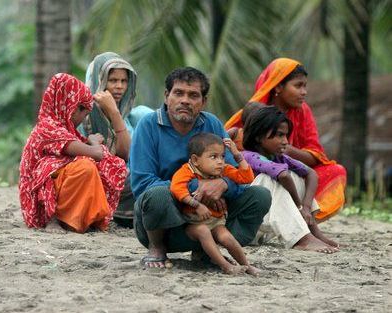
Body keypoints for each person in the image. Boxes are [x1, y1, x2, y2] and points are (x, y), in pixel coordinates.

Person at [130, 67, 271, 268]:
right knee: (157, 194)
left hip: (210, 220)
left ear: (203, 102)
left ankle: (207, 251)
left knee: (260, 196)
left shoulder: (212, 123)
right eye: (178, 93)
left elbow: (234, 172)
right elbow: (142, 183)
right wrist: (199, 187)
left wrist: (223, 184)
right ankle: (157, 248)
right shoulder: (148, 125)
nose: (185, 100)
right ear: (166, 96)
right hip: (165, 223)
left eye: (193, 95)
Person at [225, 58, 347, 222]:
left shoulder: (303, 111)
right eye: (298, 86)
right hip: (255, 174)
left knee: (335, 171)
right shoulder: (254, 112)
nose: (304, 92)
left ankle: (305, 217)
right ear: (278, 86)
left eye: (305, 86)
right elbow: (224, 149)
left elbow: (316, 155)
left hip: (289, 168)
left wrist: (283, 149)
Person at [19, 73, 127, 232]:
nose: (83, 119)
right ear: (72, 107)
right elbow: (96, 153)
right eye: (84, 113)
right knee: (84, 166)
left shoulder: (65, 130)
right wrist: (94, 142)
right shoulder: (48, 128)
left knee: (110, 165)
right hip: (38, 206)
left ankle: (82, 217)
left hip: (57, 188)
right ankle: (55, 217)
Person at [242, 106, 339, 253]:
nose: (285, 141)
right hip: (247, 226)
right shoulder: (248, 156)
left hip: (265, 227)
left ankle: (312, 231)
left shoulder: (279, 158)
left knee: (297, 176)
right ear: (258, 137)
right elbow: (283, 176)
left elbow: (311, 174)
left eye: (286, 136)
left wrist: (306, 207)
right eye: (279, 135)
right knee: (271, 178)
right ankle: (302, 240)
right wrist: (299, 206)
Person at [170, 133, 260, 275]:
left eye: (222, 156)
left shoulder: (223, 170)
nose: (220, 161)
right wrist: (197, 205)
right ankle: (225, 266)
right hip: (193, 222)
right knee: (204, 232)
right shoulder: (187, 170)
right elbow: (177, 188)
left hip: (216, 220)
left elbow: (247, 177)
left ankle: (246, 265)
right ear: (195, 160)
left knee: (226, 237)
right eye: (214, 157)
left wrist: (237, 155)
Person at [81, 52, 153, 223]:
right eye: (113, 80)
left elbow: (133, 156)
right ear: (99, 81)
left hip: (132, 182)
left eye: (124, 81)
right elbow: (126, 155)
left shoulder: (132, 117)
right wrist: (113, 113)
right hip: (104, 185)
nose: (119, 86)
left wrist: (116, 114)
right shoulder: (83, 117)